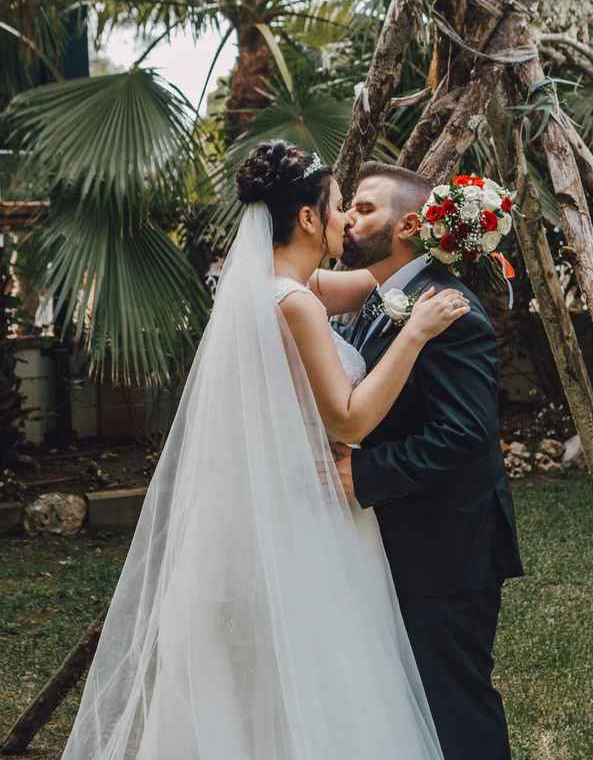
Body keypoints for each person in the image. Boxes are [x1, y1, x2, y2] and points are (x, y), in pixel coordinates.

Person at [59, 140, 470, 760]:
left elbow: (373, 277)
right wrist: (414, 334)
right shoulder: (298, 303)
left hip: (247, 511)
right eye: (338, 207)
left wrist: (446, 232)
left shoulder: (275, 287)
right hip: (305, 509)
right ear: (307, 218)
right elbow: (348, 416)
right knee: (319, 670)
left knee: (253, 678)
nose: (346, 223)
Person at [328, 162, 525, 760]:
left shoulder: (450, 312)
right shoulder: (379, 296)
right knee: (406, 699)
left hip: (448, 546)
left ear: (410, 224)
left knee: (452, 701)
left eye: (364, 209)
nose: (350, 220)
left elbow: (463, 434)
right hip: (398, 537)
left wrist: (360, 476)